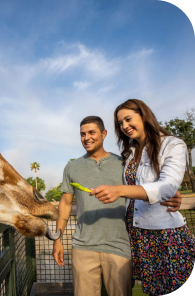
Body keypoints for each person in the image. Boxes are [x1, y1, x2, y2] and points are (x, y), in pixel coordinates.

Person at [52, 115, 181, 296]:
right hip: (83, 247)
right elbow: (65, 205)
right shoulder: (71, 167)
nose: (86, 138)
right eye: (82, 134)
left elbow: (148, 186)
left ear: (104, 134)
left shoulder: (124, 163)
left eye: (91, 132)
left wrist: (172, 194)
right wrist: (57, 240)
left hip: (120, 246)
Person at [91, 99, 195, 296]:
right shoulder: (130, 152)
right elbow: (147, 187)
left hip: (164, 234)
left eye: (128, 119)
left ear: (144, 116)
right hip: (138, 233)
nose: (124, 126)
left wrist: (120, 190)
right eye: (120, 123)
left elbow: (167, 186)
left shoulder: (173, 144)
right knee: (154, 290)